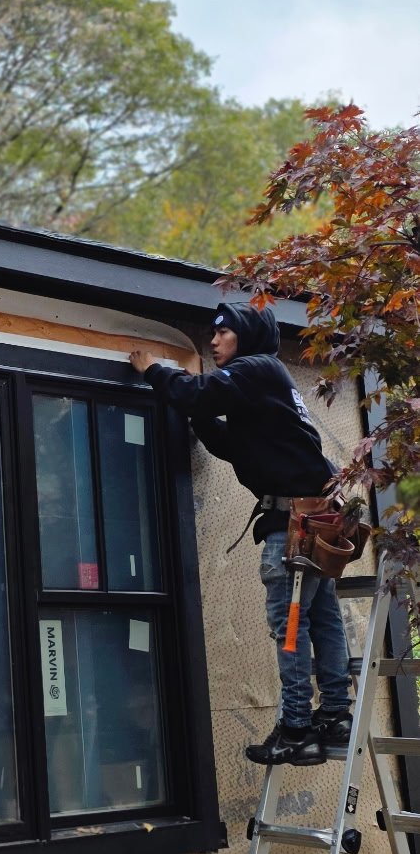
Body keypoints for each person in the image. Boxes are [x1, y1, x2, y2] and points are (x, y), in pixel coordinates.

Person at [129, 302, 352, 766]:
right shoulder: (264, 383)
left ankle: (296, 727)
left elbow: (200, 393)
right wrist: (200, 418)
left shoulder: (256, 368)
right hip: (312, 520)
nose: (213, 342)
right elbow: (234, 444)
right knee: (321, 619)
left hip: (296, 526)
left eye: (223, 332)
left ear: (246, 336)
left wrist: (154, 372)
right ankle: (335, 716)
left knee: (289, 628)